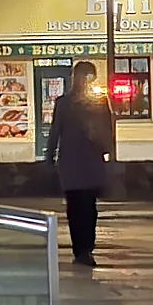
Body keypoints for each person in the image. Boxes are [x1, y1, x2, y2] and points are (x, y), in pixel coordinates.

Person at [45, 59, 114, 267]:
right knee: (78, 206)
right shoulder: (65, 103)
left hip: (86, 161)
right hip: (74, 162)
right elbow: (56, 131)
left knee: (86, 207)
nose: (84, 81)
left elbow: (108, 131)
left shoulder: (98, 103)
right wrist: (50, 156)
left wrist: (105, 146)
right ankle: (82, 250)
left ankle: (85, 249)